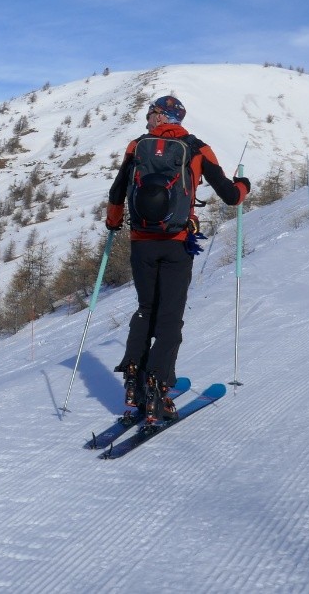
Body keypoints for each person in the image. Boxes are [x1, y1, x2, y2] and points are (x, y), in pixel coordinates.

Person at [104, 95, 250, 424]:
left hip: (141, 242)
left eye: (151, 112)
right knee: (170, 316)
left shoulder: (137, 146)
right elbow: (230, 195)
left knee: (145, 309)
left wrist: (114, 222)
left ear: (161, 115)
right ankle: (157, 385)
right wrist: (244, 185)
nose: (147, 117)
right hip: (177, 242)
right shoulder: (196, 147)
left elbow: (117, 191)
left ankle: (133, 377)